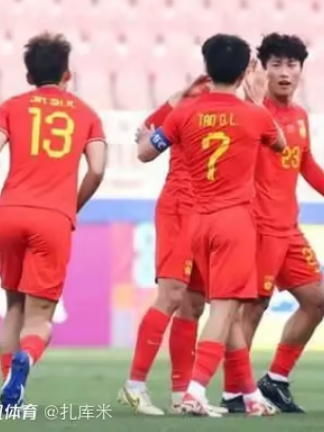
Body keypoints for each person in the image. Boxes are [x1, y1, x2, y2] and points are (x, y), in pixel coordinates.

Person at [136, 33, 285, 417]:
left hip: (196, 223)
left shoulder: (184, 112)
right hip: (233, 221)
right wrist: (256, 100)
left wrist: (151, 132)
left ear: (207, 67)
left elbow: (146, 151)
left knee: (225, 312)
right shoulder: (254, 114)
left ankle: (249, 394)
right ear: (245, 72)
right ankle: (196, 389)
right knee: (223, 309)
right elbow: (281, 145)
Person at [0, 32, 107, 409]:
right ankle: (25, 360)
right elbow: (97, 169)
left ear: (29, 76)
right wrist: (72, 205)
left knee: (13, 305)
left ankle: (9, 391)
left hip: (10, 213)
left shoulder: (11, 107)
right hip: (53, 218)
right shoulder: (87, 114)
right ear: (67, 75)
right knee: (39, 318)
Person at [220, 33, 324, 414]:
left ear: (301, 70)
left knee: (316, 301)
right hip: (257, 226)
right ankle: (234, 392)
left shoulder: (299, 116)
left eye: (292, 65)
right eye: (276, 65)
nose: (284, 73)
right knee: (253, 307)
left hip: (288, 228)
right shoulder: (248, 113)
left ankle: (275, 379)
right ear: (261, 70)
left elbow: (305, 161)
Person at [118, 75, 219, 415]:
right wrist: (174, 99)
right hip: (181, 205)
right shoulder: (194, 98)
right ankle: (134, 385)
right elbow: (146, 134)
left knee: (194, 303)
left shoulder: (243, 105)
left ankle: (181, 394)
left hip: (211, 211)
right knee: (172, 294)